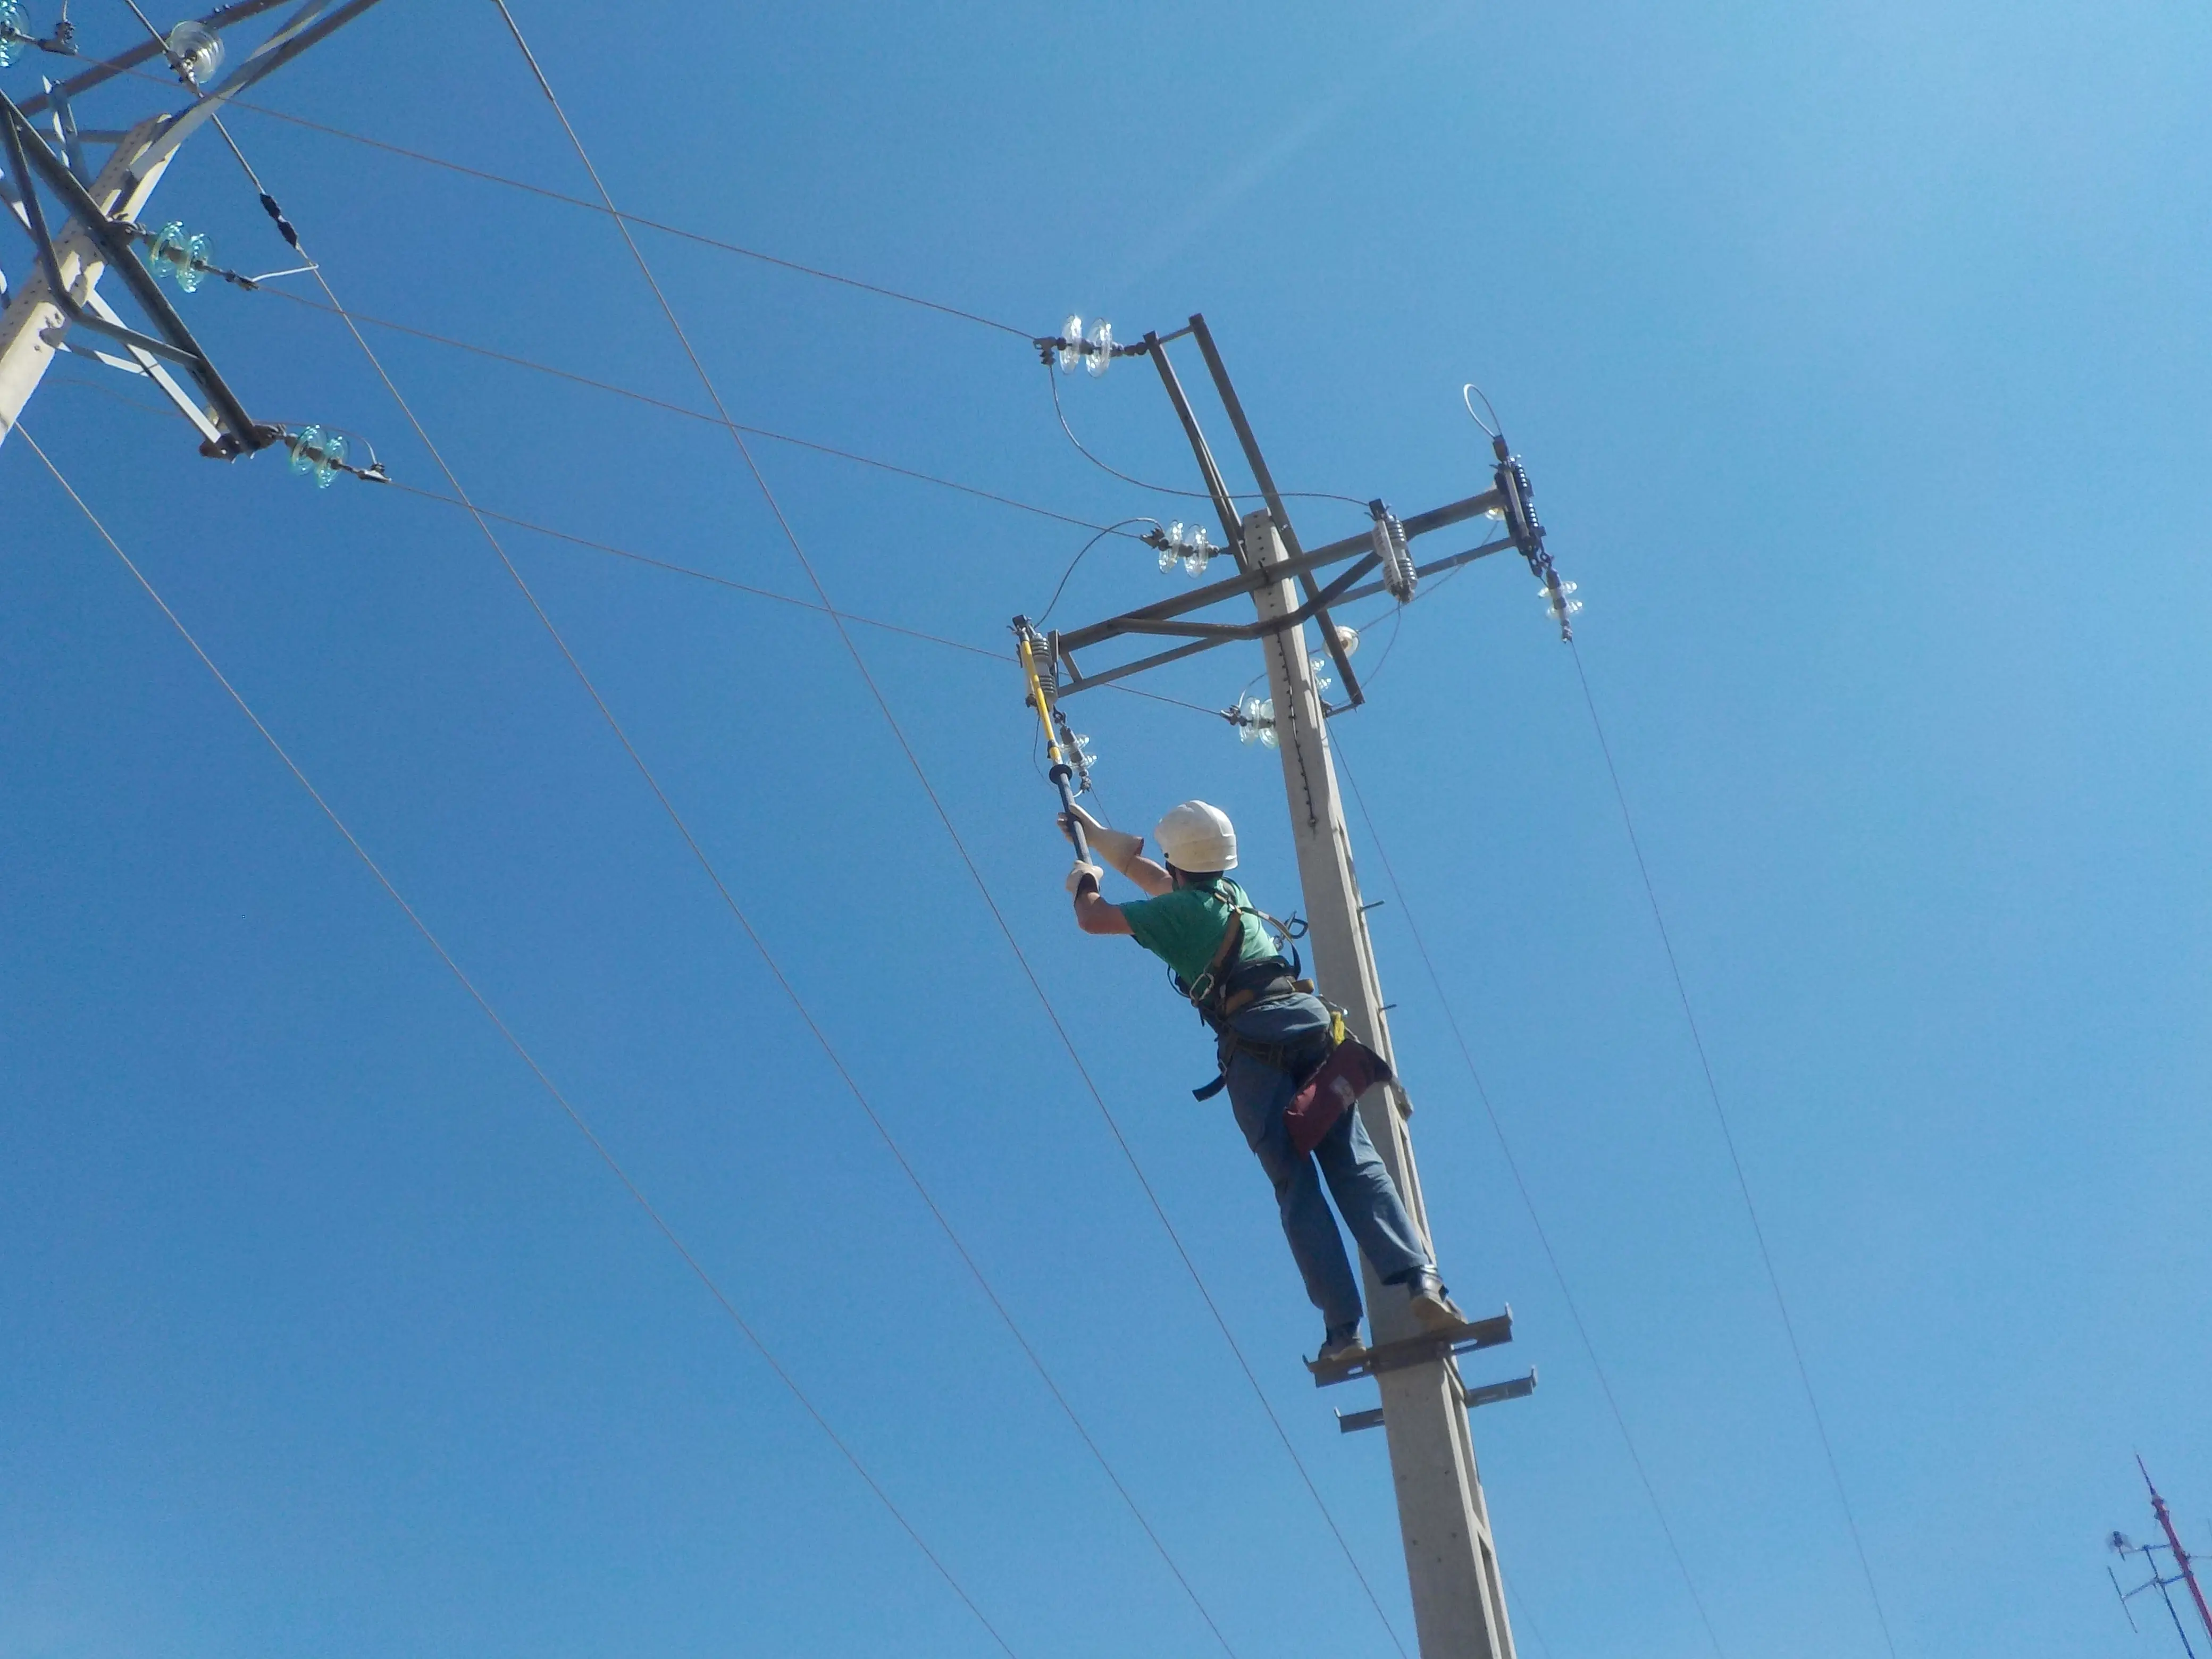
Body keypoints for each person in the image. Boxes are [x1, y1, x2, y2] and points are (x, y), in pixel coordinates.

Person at [1060, 797, 1463, 1364]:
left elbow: (1093, 918)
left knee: (1294, 1185)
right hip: (1312, 1029)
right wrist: (1095, 833)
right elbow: (1153, 877)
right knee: (1354, 1162)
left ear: (1178, 862)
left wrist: (1083, 881)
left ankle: (1342, 1331)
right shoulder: (1231, 896)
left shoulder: (1177, 915)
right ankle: (1421, 1278)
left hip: (1254, 1050)